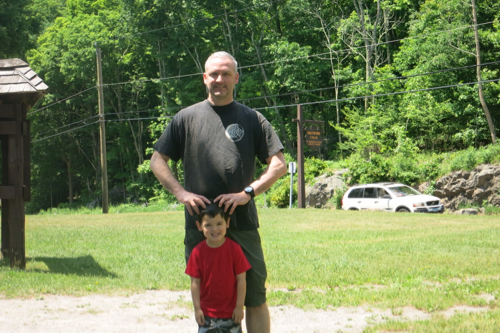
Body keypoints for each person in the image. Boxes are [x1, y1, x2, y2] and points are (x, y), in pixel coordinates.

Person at [150, 51, 287, 333]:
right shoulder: (185, 118)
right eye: (213, 74)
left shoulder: (252, 118)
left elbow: (279, 165)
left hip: (242, 224)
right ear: (204, 78)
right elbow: (157, 160)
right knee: (208, 297)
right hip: (201, 227)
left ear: (236, 78)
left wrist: (247, 192)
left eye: (226, 73)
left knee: (254, 297)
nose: (219, 79)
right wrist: (181, 193)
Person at [186, 203, 251, 333]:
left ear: (227, 223)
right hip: (206, 315)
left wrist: (239, 307)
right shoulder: (197, 252)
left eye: (219, 223)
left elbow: (241, 280)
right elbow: (195, 282)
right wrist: (197, 308)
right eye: (208, 225)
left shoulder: (235, 249)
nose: (214, 229)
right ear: (199, 226)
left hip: (231, 313)